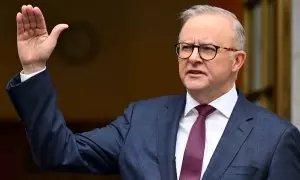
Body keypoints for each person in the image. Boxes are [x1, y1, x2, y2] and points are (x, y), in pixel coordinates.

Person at [6, 4, 300, 180]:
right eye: (185, 47)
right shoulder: (141, 119)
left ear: (238, 61)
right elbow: (58, 153)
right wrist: (34, 68)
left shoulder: (274, 138)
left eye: (208, 49)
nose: (193, 57)